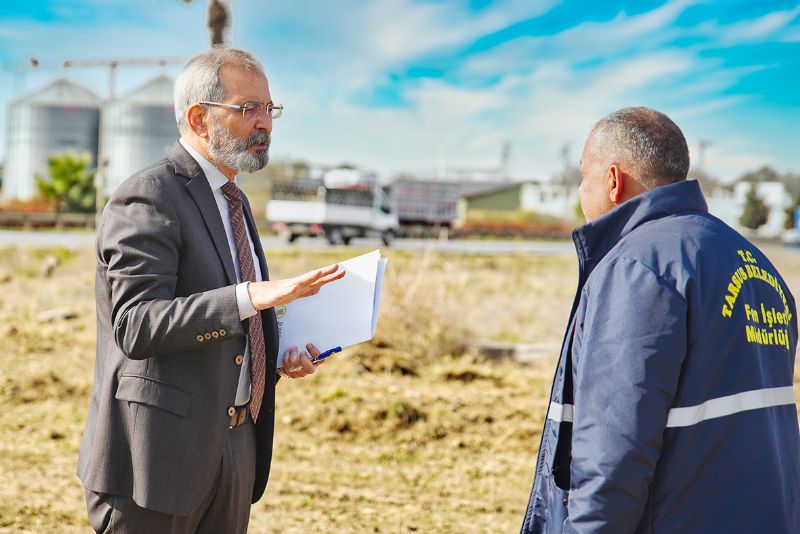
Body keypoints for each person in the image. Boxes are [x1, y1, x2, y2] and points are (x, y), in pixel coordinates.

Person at [77, 47, 345, 533]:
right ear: (200, 118)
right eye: (249, 109)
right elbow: (136, 326)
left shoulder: (233, 199)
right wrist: (251, 297)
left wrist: (278, 354)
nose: (266, 123)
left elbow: (226, 323)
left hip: (235, 448)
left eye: (270, 109)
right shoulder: (149, 194)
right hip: (156, 460)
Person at [521, 107, 799, 533]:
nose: (582, 189)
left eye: (584, 175)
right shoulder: (758, 267)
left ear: (613, 180)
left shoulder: (638, 267)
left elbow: (612, 455)